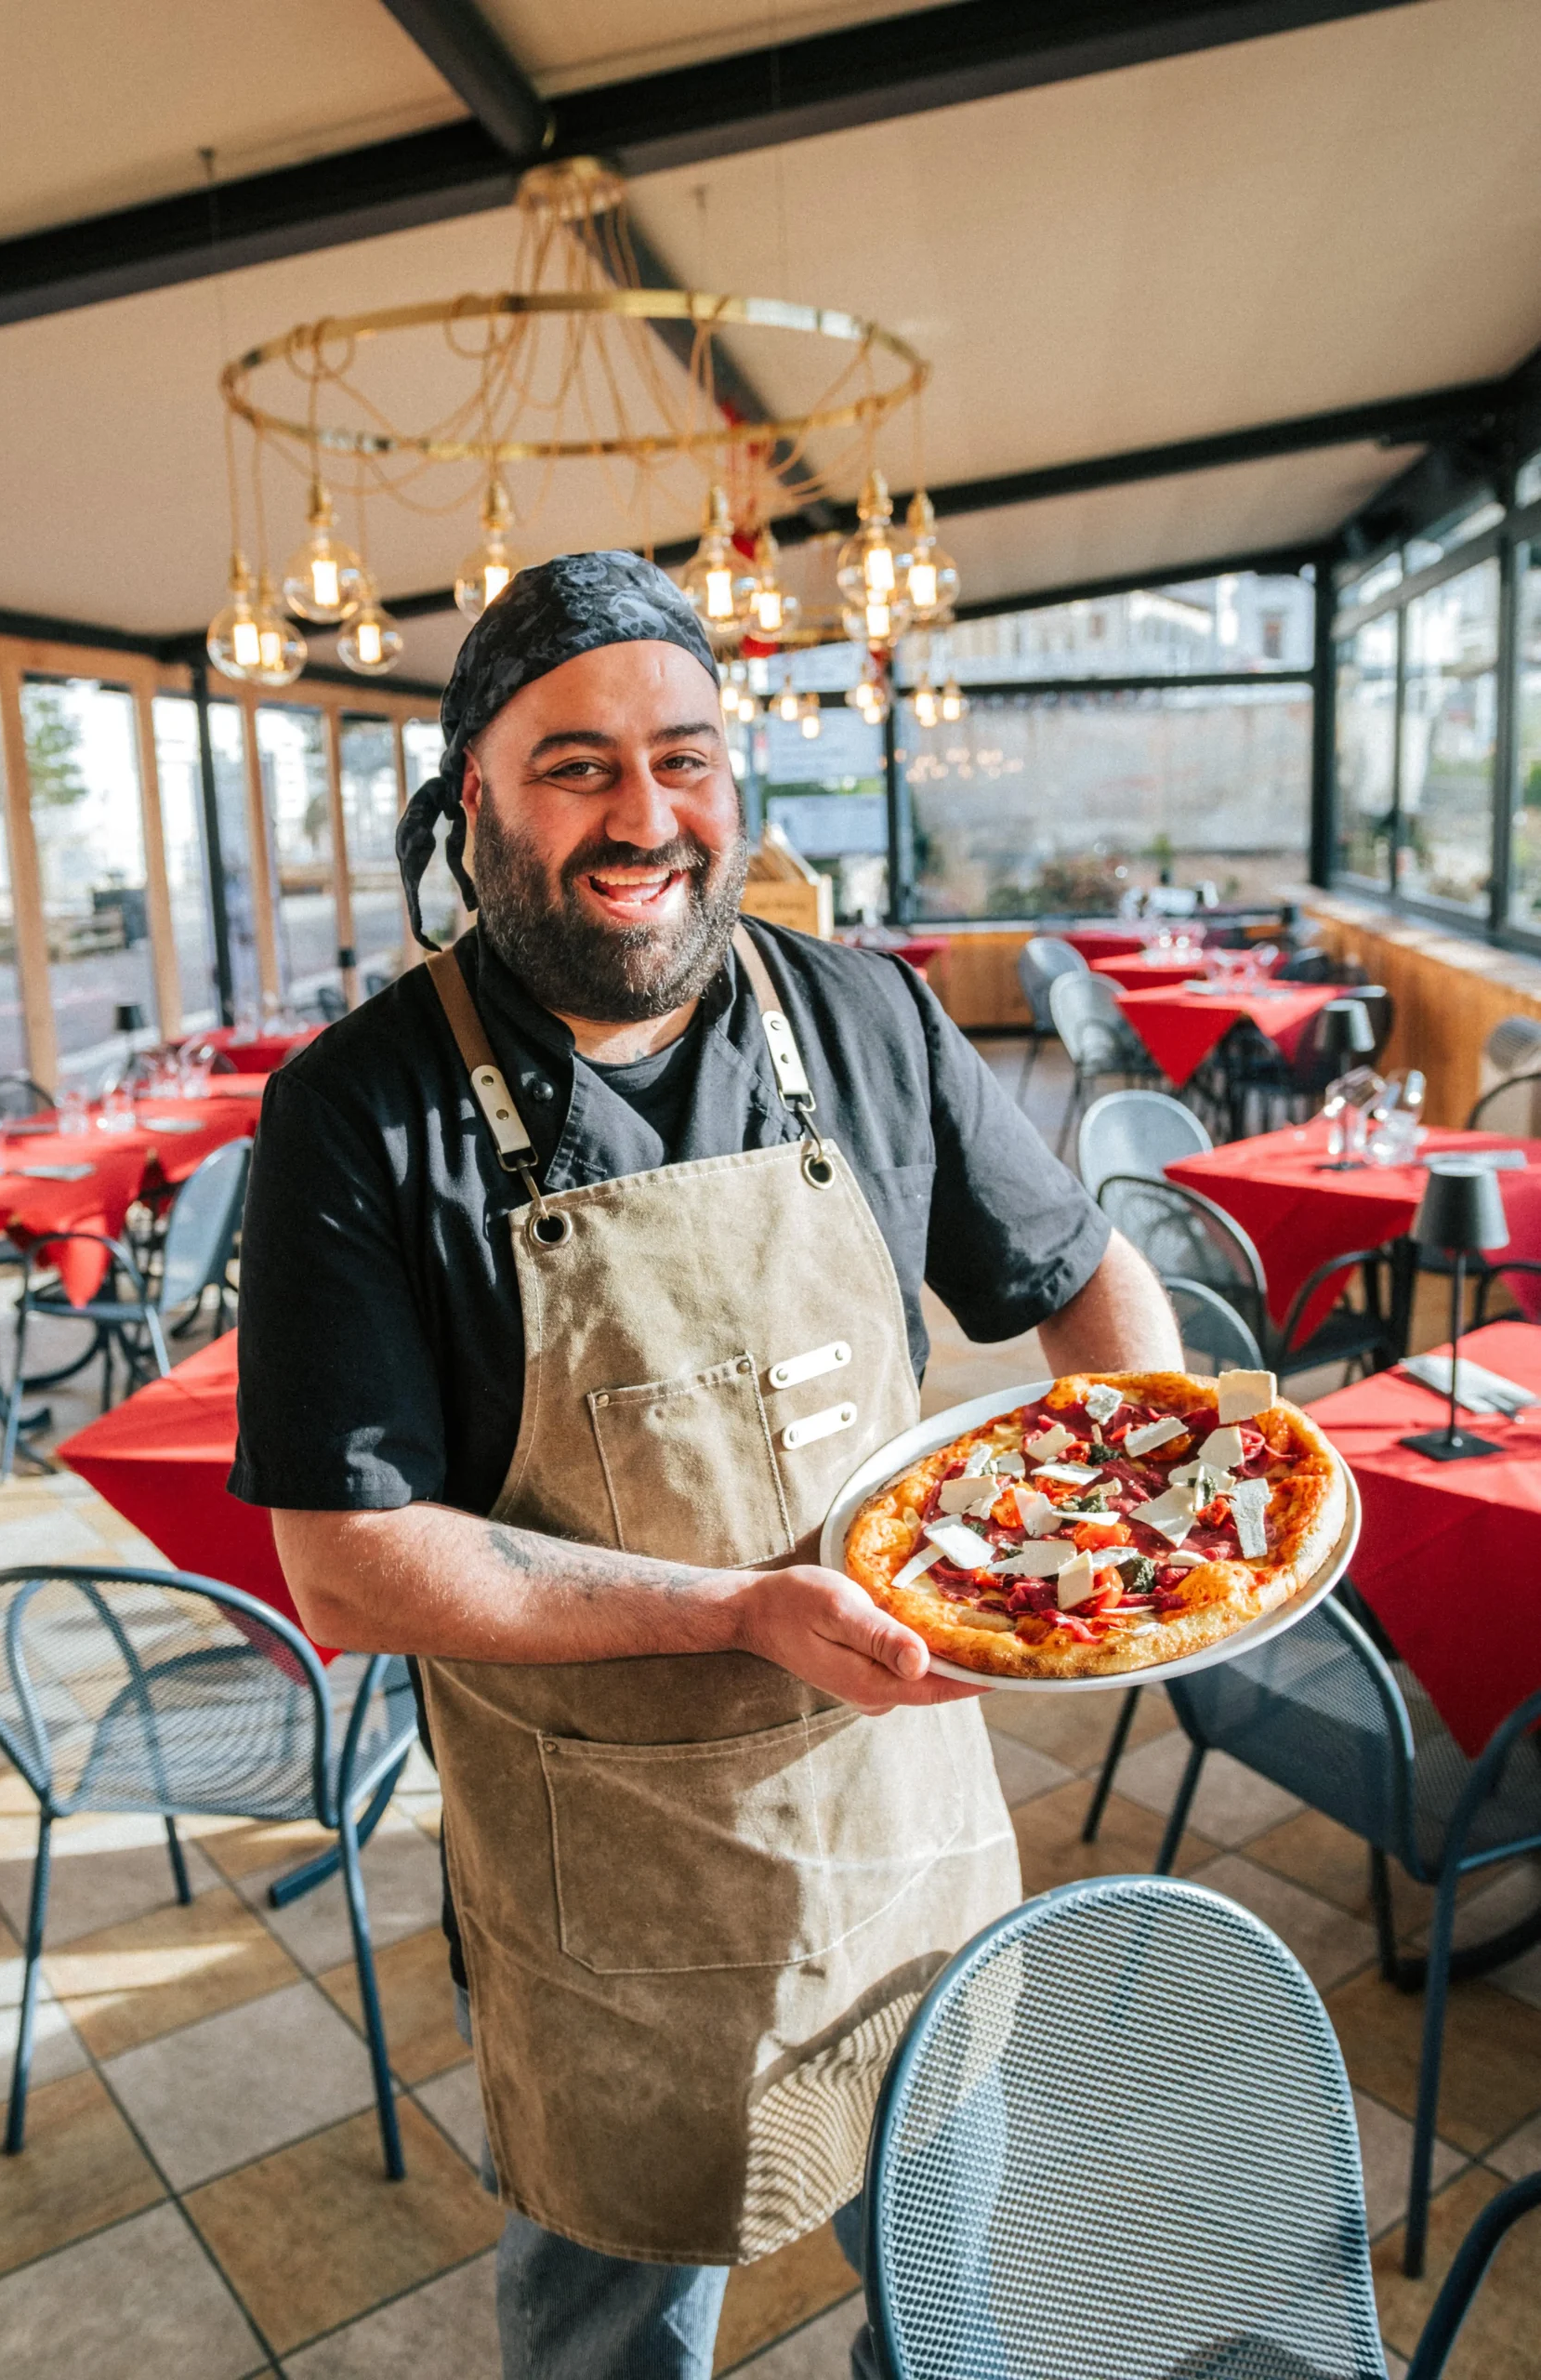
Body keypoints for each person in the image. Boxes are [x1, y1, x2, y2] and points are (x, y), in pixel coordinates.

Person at [231, 549, 1180, 2379]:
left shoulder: (866, 1015)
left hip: (906, 1837)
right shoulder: (358, 1109)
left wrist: (1134, 1512)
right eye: (574, 763)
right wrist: (745, 1606)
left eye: (684, 755)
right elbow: (346, 1569)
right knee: (616, 2345)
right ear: (472, 801)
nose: (641, 814)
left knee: (949, 2305)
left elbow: (1083, 1277)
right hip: (618, 1905)